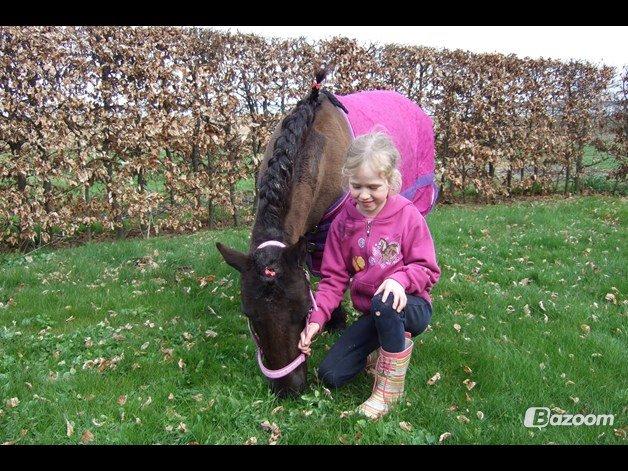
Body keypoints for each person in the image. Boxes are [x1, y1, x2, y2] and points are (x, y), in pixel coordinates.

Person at [298, 131, 441, 419]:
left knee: (385, 301)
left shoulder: (408, 216)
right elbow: (333, 279)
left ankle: (389, 389)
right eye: (356, 186)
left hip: (412, 307)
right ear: (347, 181)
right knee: (331, 375)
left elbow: (428, 269)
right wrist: (316, 320)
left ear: (391, 182)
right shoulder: (343, 224)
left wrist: (399, 280)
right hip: (373, 314)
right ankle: (389, 345)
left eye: (373, 186)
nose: (364, 195)